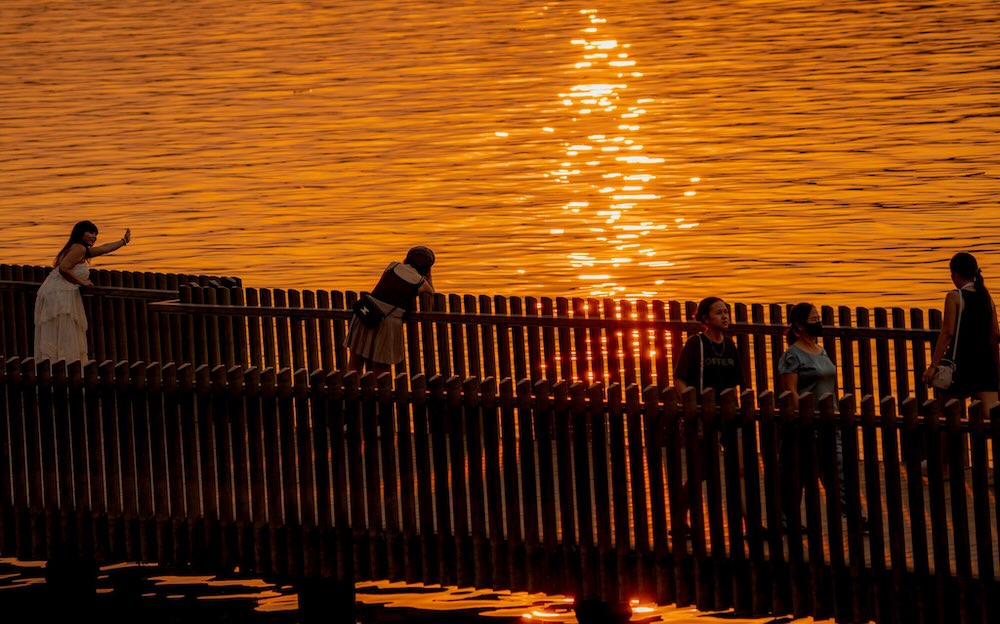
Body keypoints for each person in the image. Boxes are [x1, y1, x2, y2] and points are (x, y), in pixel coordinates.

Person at [672, 296, 745, 534]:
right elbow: (679, 380)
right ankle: (679, 520)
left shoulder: (730, 345)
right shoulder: (696, 345)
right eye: (718, 313)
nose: (725, 316)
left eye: (726, 312)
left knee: (740, 469)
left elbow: (737, 383)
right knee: (701, 472)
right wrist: (691, 409)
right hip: (702, 415)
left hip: (728, 415)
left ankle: (749, 522)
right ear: (705, 318)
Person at [777, 302, 846, 529]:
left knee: (837, 465)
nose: (818, 322)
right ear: (800, 325)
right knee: (799, 474)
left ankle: (852, 511)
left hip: (828, 419)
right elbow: (790, 390)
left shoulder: (821, 350)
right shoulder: (792, 355)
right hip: (805, 423)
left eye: (818, 317)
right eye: (813, 318)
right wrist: (804, 418)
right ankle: (789, 519)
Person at [33, 220, 131, 363]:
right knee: (65, 335)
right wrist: (82, 282)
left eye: (95, 233)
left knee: (57, 335)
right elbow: (63, 269)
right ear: (80, 233)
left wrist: (123, 241)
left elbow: (104, 248)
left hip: (55, 292)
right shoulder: (79, 248)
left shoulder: (78, 248)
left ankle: (56, 369)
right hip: (61, 294)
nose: (94, 236)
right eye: (90, 232)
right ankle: (64, 368)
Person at [921, 252, 999, 409]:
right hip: (985, 365)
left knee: (947, 417)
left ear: (954, 274)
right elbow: (995, 334)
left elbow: (947, 333)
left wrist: (933, 366)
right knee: (991, 417)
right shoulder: (987, 298)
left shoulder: (955, 297)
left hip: (960, 365)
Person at [344, 246, 435, 376]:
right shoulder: (420, 283)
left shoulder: (392, 266)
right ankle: (380, 395)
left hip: (365, 314)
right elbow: (432, 295)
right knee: (381, 372)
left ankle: (352, 392)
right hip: (386, 324)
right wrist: (429, 278)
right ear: (428, 269)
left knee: (354, 366)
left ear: (406, 259)